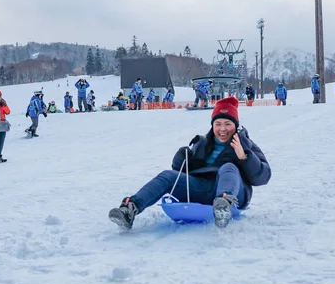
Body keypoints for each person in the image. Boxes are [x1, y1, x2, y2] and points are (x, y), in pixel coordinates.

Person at [108, 97, 271, 229]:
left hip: (233, 192)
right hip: (201, 188)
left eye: (228, 124)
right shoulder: (202, 143)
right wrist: (181, 159)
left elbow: (262, 177)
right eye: (218, 124)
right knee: (167, 176)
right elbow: (181, 173)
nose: (222, 129)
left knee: (228, 167)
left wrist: (244, 157)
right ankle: (130, 209)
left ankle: (223, 207)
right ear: (212, 125)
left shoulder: (246, 145)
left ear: (235, 126)